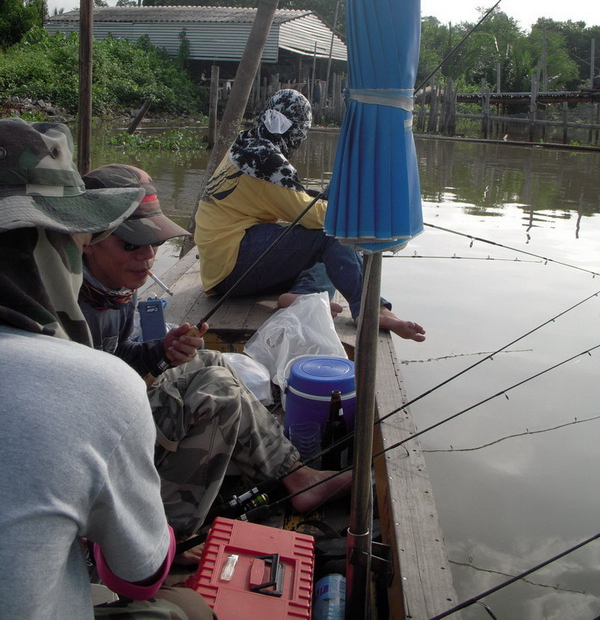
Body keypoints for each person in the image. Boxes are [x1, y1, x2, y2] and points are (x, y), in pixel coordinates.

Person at [0, 118, 213, 620]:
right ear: (57, 249)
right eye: (76, 238)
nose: (146, 256)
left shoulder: (114, 312)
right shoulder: (91, 384)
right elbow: (137, 577)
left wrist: (159, 352)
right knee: (186, 610)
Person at [79, 164, 351, 543]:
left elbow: (119, 354)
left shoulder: (116, 286)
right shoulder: (71, 304)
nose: (147, 256)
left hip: (116, 407)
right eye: (130, 244)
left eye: (154, 242)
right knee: (214, 389)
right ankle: (170, 535)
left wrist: (162, 351)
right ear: (86, 239)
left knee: (210, 361)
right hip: (94, 441)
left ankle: (296, 475)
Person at [194, 88, 426, 341]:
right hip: (233, 269)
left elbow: (293, 198)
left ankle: (304, 293)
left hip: (218, 270)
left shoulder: (247, 143)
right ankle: (370, 308)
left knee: (325, 242)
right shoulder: (268, 163)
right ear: (297, 130)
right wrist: (353, 212)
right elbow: (311, 216)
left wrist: (331, 197)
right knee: (334, 236)